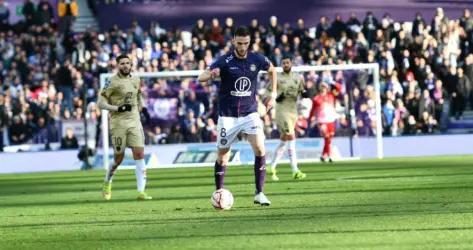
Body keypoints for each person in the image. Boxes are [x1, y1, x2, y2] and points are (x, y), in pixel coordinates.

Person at [198, 26, 277, 206]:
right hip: (228, 116)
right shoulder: (224, 60)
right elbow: (200, 78)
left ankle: (259, 193)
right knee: (223, 156)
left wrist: (272, 94)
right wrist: (211, 74)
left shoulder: (256, 59)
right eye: (239, 43)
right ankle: (219, 191)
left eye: (246, 43)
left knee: (260, 148)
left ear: (250, 42)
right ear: (233, 41)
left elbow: (272, 70)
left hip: (250, 113)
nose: (242, 47)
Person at [98, 54, 151, 201]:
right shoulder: (111, 82)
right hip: (118, 123)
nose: (125, 66)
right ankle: (107, 181)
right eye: (122, 63)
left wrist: (144, 108)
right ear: (117, 65)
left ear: (131, 65)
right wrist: (117, 108)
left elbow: (139, 94)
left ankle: (141, 192)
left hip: (134, 121)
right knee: (118, 158)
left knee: (139, 154)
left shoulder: (136, 79)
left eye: (128, 63)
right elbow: (100, 102)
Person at [266, 56, 307, 181]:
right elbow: (268, 92)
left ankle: (271, 166)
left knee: (284, 140)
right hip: (282, 111)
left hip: (293, 111)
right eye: (283, 63)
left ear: (291, 63)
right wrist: (276, 97)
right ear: (281, 65)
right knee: (291, 136)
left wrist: (306, 93)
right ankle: (295, 170)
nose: (285, 64)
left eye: (287, 62)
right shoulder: (277, 78)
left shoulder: (298, 77)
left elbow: (303, 92)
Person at [309, 82, 338, 163]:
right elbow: (312, 109)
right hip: (321, 121)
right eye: (322, 86)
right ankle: (330, 155)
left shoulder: (331, 95)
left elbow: (339, 87)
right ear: (319, 88)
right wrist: (310, 118)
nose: (323, 88)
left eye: (325, 86)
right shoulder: (316, 98)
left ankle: (323, 155)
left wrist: (331, 82)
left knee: (329, 139)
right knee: (327, 137)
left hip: (331, 120)